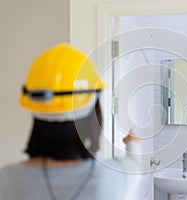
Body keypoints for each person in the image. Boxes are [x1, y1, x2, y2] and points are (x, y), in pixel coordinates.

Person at [0, 43, 146, 200]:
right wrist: (133, 143)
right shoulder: (116, 179)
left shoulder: (6, 180)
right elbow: (134, 165)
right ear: (94, 111)